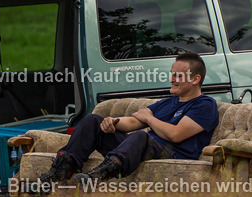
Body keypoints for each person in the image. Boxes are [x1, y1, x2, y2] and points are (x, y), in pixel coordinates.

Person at [39, 52, 219, 189]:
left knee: (141, 136)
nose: (171, 79)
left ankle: (97, 176)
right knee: (92, 121)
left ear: (196, 79)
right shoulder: (167, 103)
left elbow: (176, 135)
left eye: (178, 76)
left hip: (172, 153)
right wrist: (112, 121)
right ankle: (57, 176)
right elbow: (133, 122)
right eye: (172, 74)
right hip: (141, 148)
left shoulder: (204, 105)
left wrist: (149, 119)